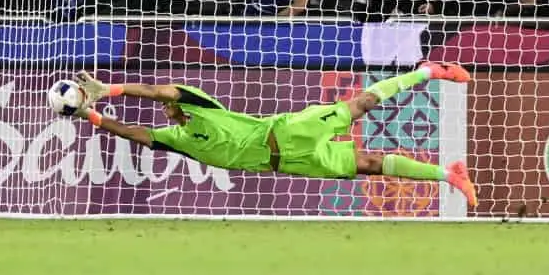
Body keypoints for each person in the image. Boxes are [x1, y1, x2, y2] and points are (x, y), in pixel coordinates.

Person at [63, 64, 479, 204]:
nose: (165, 107)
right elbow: (139, 135)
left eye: (168, 105)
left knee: (360, 106)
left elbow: (155, 91)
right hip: (294, 164)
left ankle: (429, 71)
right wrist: (91, 116)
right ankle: (450, 175)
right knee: (368, 165)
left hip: (288, 134)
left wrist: (110, 89)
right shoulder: (180, 139)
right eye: (166, 110)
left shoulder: (196, 100)